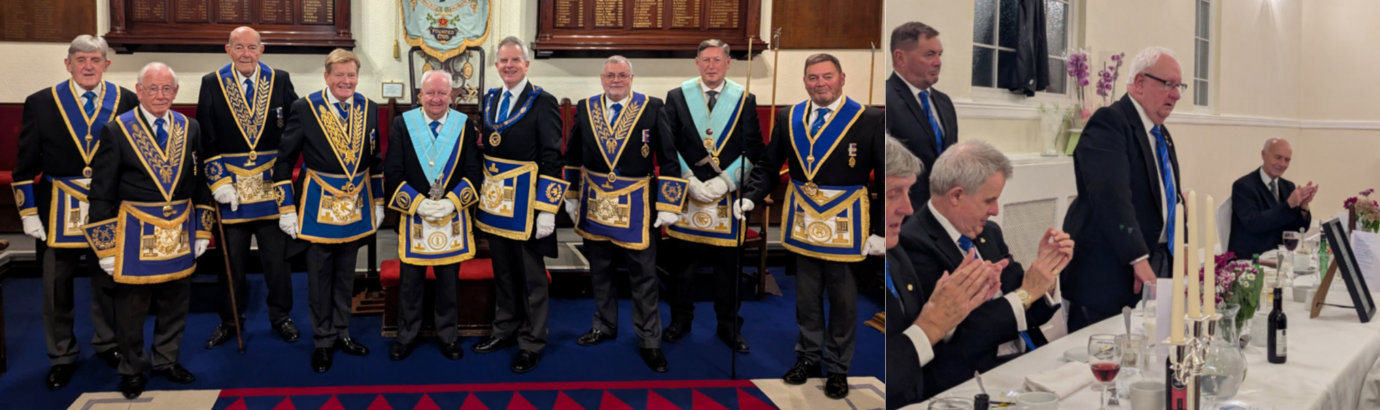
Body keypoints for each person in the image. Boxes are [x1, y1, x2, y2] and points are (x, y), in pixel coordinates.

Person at [735, 53, 884, 399]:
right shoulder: (789, 116)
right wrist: (751, 196)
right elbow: (769, 165)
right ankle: (808, 357)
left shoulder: (869, 118)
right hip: (804, 220)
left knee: (844, 300)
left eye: (827, 76)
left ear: (842, 78)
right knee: (806, 297)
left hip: (847, 223)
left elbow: (885, 178)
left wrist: (881, 230)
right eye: (813, 78)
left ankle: (838, 367)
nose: (820, 84)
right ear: (804, 81)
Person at [899, 141, 1073, 395]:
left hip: (1026, 359)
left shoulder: (989, 233)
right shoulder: (913, 243)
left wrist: (1047, 272)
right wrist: (1027, 293)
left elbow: (1028, 308)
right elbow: (962, 335)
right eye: (989, 200)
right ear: (956, 195)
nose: (995, 210)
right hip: (971, 379)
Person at [13, 34, 136, 390]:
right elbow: (24, 165)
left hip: (108, 206)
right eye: (80, 59)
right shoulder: (41, 102)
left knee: (108, 282)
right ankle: (62, 355)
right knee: (56, 287)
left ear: (106, 64)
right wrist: (28, 212)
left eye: (95, 60)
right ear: (68, 64)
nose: (88, 66)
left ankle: (108, 343)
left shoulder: (126, 100)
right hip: (57, 208)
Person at [85, 62, 212, 399]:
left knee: (176, 301)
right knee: (131, 308)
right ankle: (132, 368)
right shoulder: (117, 130)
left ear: (176, 92)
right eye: (152, 88)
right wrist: (106, 248)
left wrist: (202, 230)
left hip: (180, 228)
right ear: (139, 91)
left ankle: (167, 360)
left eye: (167, 88)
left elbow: (200, 182)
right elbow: (101, 192)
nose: (160, 95)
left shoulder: (190, 127)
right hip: (134, 232)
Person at [563, 56, 687, 373]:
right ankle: (604, 325)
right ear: (601, 78)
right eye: (610, 75)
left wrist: (669, 204)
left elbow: (669, 159)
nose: (615, 80)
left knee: (644, 276)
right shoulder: (586, 107)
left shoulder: (652, 107)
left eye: (621, 75)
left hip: (638, 204)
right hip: (595, 201)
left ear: (632, 78)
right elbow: (573, 156)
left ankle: (649, 341)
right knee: (600, 270)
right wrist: (572, 196)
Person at [1062, 46, 1186, 331]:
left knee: (1152, 345)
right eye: (1169, 84)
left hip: (1157, 258)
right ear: (1140, 83)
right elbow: (1110, 197)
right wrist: (1138, 258)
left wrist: (1181, 249)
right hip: (1110, 270)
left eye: (1179, 87)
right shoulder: (1110, 122)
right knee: (1108, 350)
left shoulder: (1161, 133)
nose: (1176, 95)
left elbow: (1166, 195)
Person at [276, 48, 383, 373]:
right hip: (317, 207)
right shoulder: (305, 107)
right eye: (340, 75)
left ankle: (343, 332)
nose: (346, 81)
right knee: (320, 278)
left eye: (351, 75)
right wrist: (286, 208)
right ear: (327, 76)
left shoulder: (369, 107)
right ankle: (323, 340)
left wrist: (378, 202)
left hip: (355, 206)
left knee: (346, 274)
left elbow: (375, 160)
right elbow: (284, 160)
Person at [198, 26, 301, 349]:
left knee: (277, 263)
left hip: (271, 188)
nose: (246, 53)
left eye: (252, 47)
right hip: (232, 191)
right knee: (231, 264)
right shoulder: (212, 83)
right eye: (239, 47)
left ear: (262, 49)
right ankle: (230, 321)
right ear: (228, 50)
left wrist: (286, 170)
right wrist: (218, 182)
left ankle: (281, 317)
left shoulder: (280, 79)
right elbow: (206, 137)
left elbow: (294, 128)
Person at [661, 38, 764, 353]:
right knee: (682, 269)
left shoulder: (744, 98)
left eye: (717, 60)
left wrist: (727, 182)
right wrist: (688, 178)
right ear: (696, 62)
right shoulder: (677, 96)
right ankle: (680, 320)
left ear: (728, 63)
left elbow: (753, 149)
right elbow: (668, 145)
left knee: (728, 270)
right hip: (688, 193)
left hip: (726, 197)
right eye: (705, 60)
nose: (711, 66)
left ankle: (729, 326)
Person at [471, 36, 566, 374]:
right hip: (496, 205)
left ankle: (531, 342)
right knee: (504, 272)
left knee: (531, 279)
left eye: (515, 60)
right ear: (496, 65)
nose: (508, 66)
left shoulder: (544, 102)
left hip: (527, 207)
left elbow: (552, 157)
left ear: (526, 64)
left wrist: (547, 209)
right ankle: (504, 329)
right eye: (503, 60)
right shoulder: (490, 99)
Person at [882, 135, 997, 409]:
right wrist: (933, 326)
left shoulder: (894, 251)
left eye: (909, 192)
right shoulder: (905, 244)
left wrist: (950, 314)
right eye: (893, 193)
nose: (908, 208)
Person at [383, 70, 482, 361]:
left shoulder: (463, 125)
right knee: (410, 283)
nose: (436, 99)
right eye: (430, 93)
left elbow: (473, 171)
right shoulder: (403, 123)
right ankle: (406, 336)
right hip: (414, 216)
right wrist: (418, 204)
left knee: (448, 283)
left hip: (452, 217)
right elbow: (393, 171)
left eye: (442, 93)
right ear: (420, 95)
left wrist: (452, 202)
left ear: (451, 95)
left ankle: (448, 336)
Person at [887, 21, 956, 207]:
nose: (938, 62)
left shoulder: (944, 102)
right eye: (930, 54)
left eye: (940, 54)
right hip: (905, 211)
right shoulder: (887, 98)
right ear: (900, 58)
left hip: (942, 210)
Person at [1229, 138, 1316, 258]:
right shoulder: (1243, 186)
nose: (1282, 164)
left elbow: (1299, 229)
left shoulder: (1288, 186)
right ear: (1263, 155)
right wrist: (1288, 204)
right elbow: (1255, 224)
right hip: (1252, 258)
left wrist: (1303, 206)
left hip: (1279, 256)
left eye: (1287, 160)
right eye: (1278, 157)